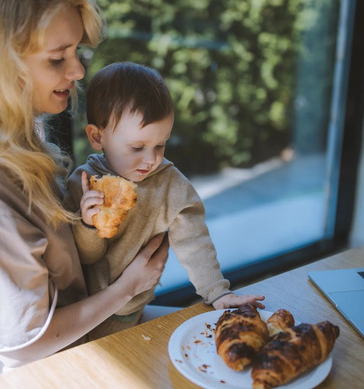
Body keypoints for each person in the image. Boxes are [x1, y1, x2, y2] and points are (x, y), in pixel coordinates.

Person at [0, 0, 170, 383]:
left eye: (76, 51)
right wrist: (128, 287)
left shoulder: (17, 136)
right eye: (57, 58)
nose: (79, 71)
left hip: (90, 340)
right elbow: (25, 346)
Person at [64, 62, 265, 340]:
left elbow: (194, 243)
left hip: (135, 310)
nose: (151, 159)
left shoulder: (171, 186)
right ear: (97, 137)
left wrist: (217, 292)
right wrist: (87, 224)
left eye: (161, 145)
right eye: (137, 147)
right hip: (85, 318)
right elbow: (85, 257)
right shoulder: (83, 184)